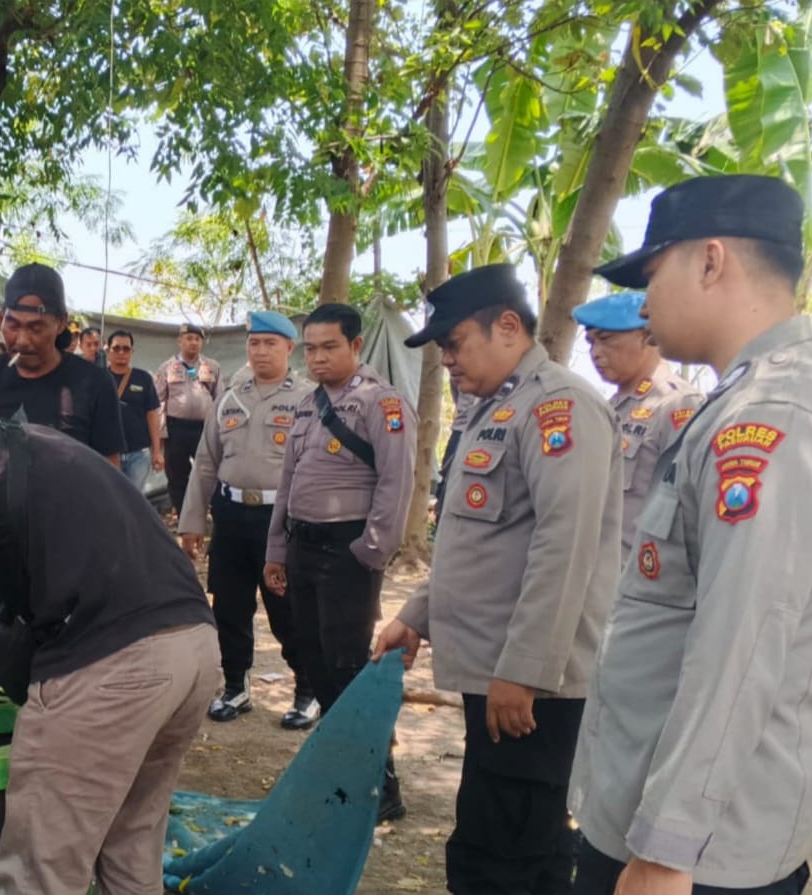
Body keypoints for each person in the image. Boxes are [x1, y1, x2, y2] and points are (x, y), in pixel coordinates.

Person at [571, 175, 812, 895]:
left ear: (711, 261)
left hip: (697, 856)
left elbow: (742, 641)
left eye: (653, 275)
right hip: (668, 823)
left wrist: (666, 847)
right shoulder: (747, 398)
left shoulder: (773, 415)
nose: (644, 303)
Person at [0, 385, 218, 895]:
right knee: (130, 847)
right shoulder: (31, 443)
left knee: (40, 871)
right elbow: (3, 580)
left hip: (111, 667)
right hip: (194, 648)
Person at [374, 262, 620, 894]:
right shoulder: (494, 409)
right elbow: (473, 540)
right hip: (499, 673)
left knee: (505, 855)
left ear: (507, 326)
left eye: (455, 343)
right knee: (509, 844)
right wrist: (416, 614)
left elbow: (565, 548)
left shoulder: (560, 407)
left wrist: (525, 670)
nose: (448, 360)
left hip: (533, 687)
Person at [263, 302, 415, 820]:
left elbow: (396, 483)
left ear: (355, 345)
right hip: (302, 547)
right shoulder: (307, 404)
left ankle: (381, 785)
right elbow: (288, 482)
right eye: (310, 349)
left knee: (348, 665)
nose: (318, 358)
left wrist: (369, 552)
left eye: (329, 347)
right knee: (314, 660)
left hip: (348, 551)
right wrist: (276, 550)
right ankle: (341, 772)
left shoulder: (381, 402)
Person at [179, 311, 319, 729]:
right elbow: (206, 462)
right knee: (229, 605)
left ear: (289, 348)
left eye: (270, 343)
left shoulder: (309, 400)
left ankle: (307, 690)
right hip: (231, 514)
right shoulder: (230, 398)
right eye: (254, 343)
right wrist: (193, 521)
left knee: (287, 608)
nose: (260, 351)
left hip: (282, 519)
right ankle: (235, 687)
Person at [571, 291, 703, 559]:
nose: (595, 353)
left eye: (606, 339)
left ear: (646, 336)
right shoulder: (608, 408)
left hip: (642, 568)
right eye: (590, 342)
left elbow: (689, 507)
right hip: (597, 565)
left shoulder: (676, 404)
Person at [0, 263, 126, 463]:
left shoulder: (95, 383)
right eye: (13, 325)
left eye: (36, 328)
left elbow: (109, 469)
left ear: (61, 323)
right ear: (1, 318)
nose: (22, 340)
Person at [156, 322, 222, 513]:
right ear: (180, 341)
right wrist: (161, 434)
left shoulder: (212, 366)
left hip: (204, 428)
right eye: (189, 338)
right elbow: (159, 401)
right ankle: (183, 515)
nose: (193, 342)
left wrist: (218, 430)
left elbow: (219, 398)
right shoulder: (167, 367)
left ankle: (213, 513)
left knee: (209, 471)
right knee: (177, 474)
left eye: (197, 339)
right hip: (176, 428)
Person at [107, 329, 165, 489]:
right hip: (108, 453)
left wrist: (157, 452)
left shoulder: (143, 378)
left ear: (132, 351)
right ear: (108, 350)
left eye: (126, 348)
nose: (121, 352)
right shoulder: (100, 377)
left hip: (138, 454)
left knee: (134, 498)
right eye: (116, 348)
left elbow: (152, 414)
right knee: (110, 497)